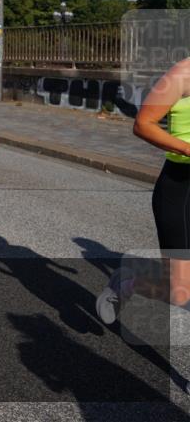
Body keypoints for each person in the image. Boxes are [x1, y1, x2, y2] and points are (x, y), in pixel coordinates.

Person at [96, 57, 190, 393]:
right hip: (181, 191)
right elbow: (144, 124)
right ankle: (129, 284)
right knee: (183, 291)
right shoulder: (183, 73)